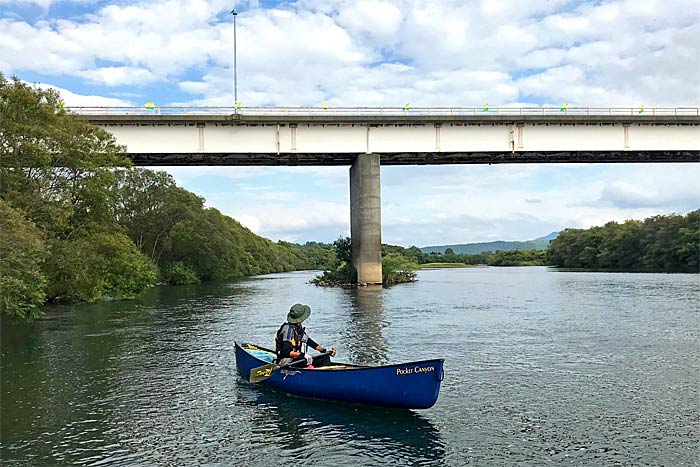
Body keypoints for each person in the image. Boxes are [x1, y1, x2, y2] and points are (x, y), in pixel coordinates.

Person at [275, 303, 336, 368]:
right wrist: (303, 355)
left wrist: (324, 351)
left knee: (324, 357)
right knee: (309, 361)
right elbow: (286, 352)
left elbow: (309, 342)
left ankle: (325, 373)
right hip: (286, 361)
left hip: (296, 359)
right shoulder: (287, 329)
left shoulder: (297, 328)